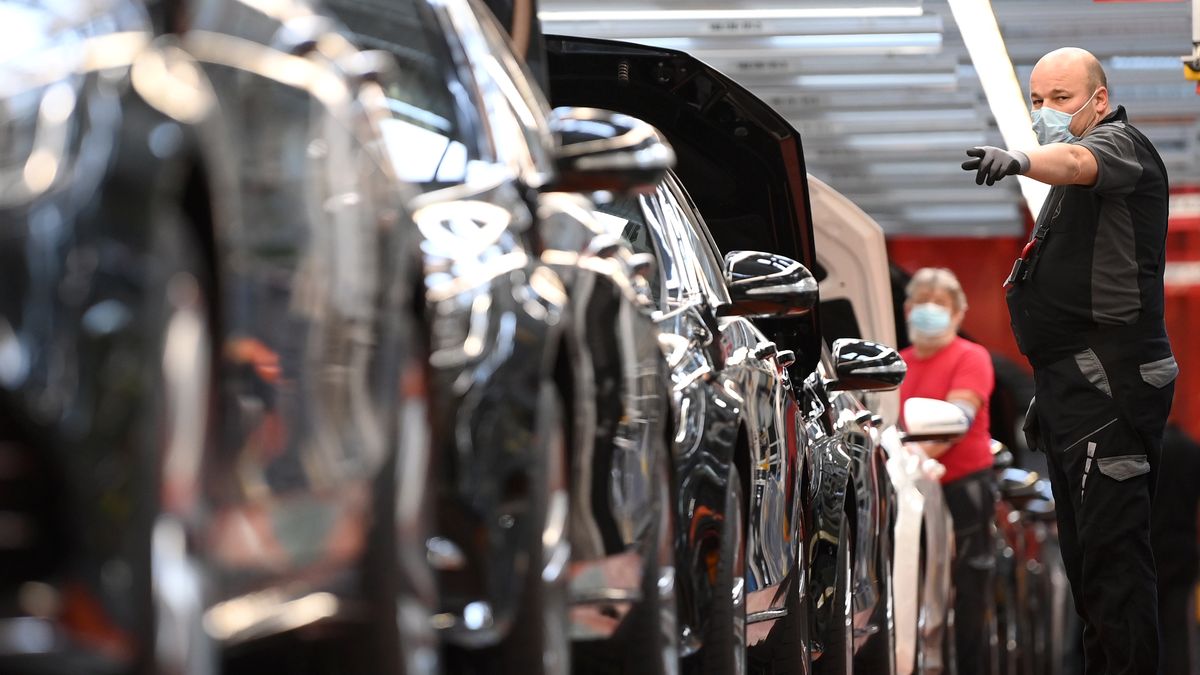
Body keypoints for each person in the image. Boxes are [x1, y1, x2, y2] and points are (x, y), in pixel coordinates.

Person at [962, 47, 1176, 675]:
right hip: (1076, 389)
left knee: (1113, 563)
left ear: (1099, 101)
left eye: (1061, 99)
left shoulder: (1119, 146)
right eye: (1037, 101)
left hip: (1110, 387)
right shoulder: (1083, 177)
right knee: (1089, 569)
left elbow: (1077, 160)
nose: (1047, 112)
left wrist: (1022, 160)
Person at [898, 267, 997, 675]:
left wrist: (915, 454)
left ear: (958, 313)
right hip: (909, 487)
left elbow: (959, 417)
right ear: (907, 309)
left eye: (940, 303)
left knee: (968, 595)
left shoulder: (970, 357)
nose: (929, 310)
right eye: (922, 300)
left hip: (961, 487)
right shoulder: (899, 363)